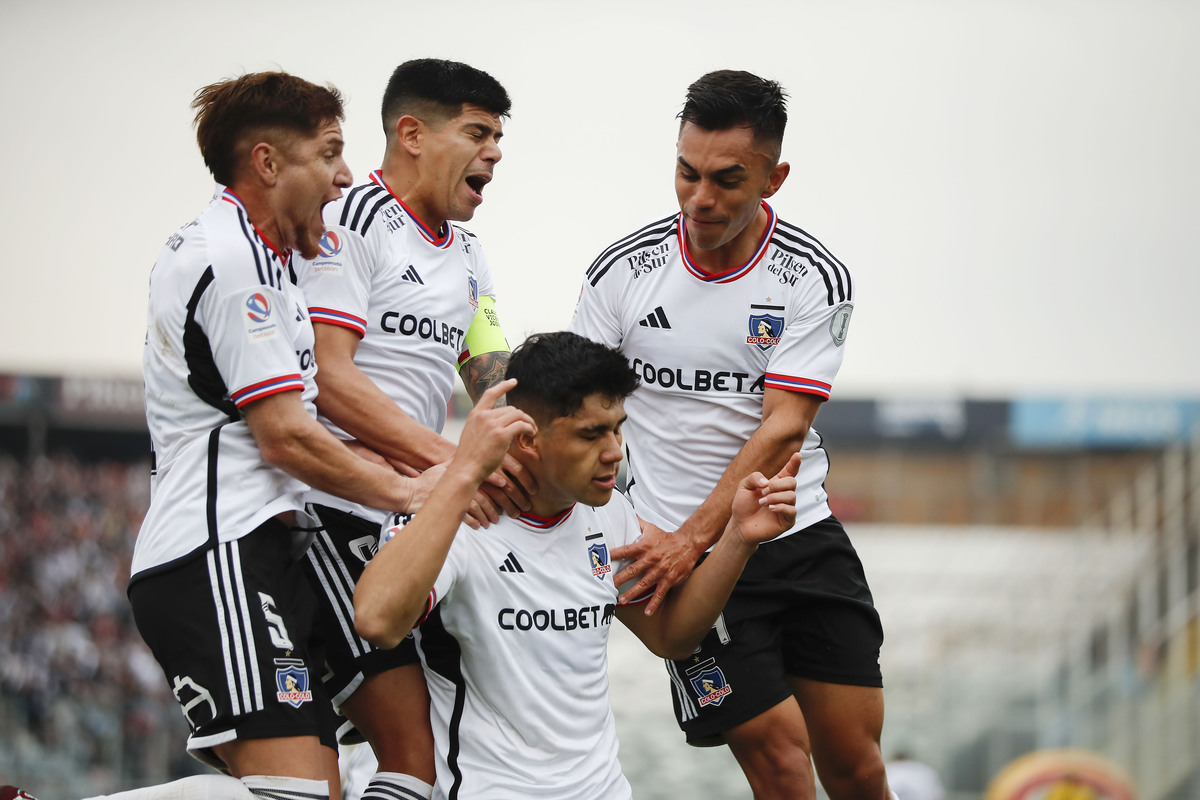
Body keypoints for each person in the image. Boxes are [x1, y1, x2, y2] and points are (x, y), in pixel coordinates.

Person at [110, 72, 442, 800]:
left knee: (419, 758)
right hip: (217, 554)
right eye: (328, 154)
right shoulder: (236, 267)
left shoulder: (271, 256)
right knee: (306, 795)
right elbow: (287, 438)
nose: (345, 175)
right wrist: (423, 492)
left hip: (287, 541)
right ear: (267, 163)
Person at [569, 70, 892, 800]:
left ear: (773, 178)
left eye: (726, 179)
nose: (699, 198)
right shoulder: (622, 273)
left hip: (799, 535)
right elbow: (573, 407)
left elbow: (785, 425)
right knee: (777, 758)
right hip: (680, 560)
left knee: (856, 764)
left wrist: (697, 531)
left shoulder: (812, 277)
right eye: (686, 173)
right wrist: (668, 539)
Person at [352, 331, 803, 800]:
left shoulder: (607, 512)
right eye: (591, 434)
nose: (614, 452)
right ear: (525, 438)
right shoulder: (458, 515)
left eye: (617, 428)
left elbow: (671, 635)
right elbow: (376, 621)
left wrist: (738, 537)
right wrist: (462, 474)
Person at [292, 58, 533, 800]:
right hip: (331, 513)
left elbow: (489, 373)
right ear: (412, 133)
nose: (494, 151)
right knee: (411, 749)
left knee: (448, 732)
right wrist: (459, 466)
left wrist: (537, 452)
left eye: (499, 137)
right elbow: (330, 379)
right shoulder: (353, 219)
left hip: (413, 515)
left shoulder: (469, 255)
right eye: (477, 132)